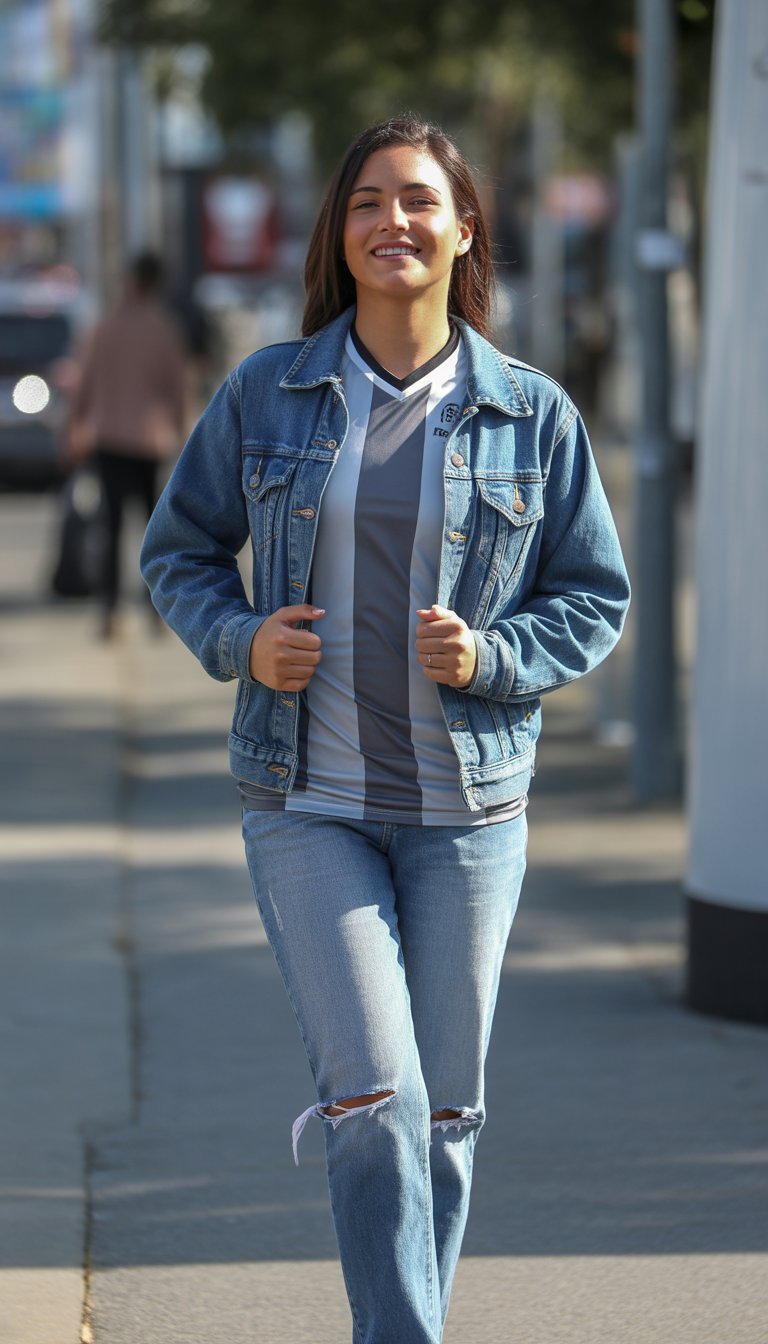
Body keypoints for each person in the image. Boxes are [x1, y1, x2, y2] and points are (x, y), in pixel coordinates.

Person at [140, 117, 630, 1343]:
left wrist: (497, 655)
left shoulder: (533, 414)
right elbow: (180, 551)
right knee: (375, 1094)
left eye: (419, 201)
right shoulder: (270, 392)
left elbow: (596, 593)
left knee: (446, 1114)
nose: (392, 222)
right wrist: (243, 639)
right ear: (339, 233)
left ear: (465, 230)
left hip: (470, 815)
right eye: (367, 202)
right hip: (311, 804)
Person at [68, 251, 186, 636]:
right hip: (150, 441)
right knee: (154, 531)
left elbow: (82, 384)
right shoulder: (163, 330)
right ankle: (156, 610)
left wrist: (74, 428)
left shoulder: (103, 328)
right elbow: (176, 390)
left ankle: (108, 611)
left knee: (111, 524)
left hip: (108, 438)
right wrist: (181, 433)